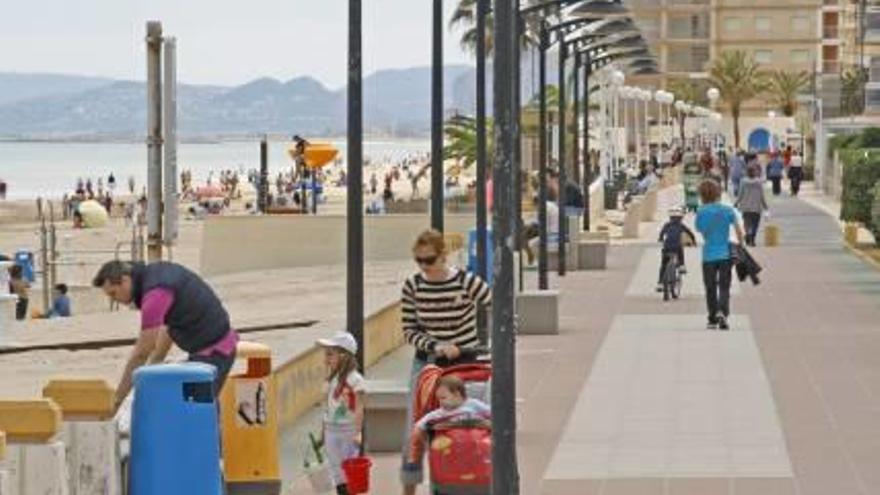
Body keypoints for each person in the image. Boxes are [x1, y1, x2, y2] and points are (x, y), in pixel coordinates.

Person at [400, 229, 491, 495]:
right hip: (428, 363)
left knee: (467, 424)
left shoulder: (466, 282)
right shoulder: (413, 286)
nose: (424, 267)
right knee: (415, 428)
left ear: (443, 256)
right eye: (419, 261)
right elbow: (409, 330)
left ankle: (467, 481)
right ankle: (410, 489)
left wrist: (505, 338)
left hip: (465, 363)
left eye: (429, 260)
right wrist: (437, 346)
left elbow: (498, 304)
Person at [91, 260, 239, 409]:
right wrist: (155, 364)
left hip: (215, 351)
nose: (114, 300)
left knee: (197, 409)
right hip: (211, 346)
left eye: (113, 293)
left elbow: (142, 352)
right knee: (190, 404)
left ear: (125, 280)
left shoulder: (155, 294)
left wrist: (118, 399)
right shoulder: (155, 275)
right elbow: (168, 326)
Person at [317, 331, 365, 495]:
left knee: (348, 469)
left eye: (330, 354)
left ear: (344, 356)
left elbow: (359, 406)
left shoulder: (355, 379)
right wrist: (322, 433)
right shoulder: (331, 379)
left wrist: (358, 432)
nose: (326, 359)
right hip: (331, 429)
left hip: (347, 430)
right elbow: (327, 408)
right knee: (336, 471)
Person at [406, 375, 490, 464]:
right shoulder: (440, 413)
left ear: (457, 395)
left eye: (443, 398)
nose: (440, 402)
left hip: (475, 444)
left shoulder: (473, 404)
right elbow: (419, 425)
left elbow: (491, 413)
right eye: (438, 399)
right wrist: (416, 450)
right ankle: (415, 457)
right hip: (450, 447)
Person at [695, 180, 745, 330]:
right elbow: (738, 230)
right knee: (724, 286)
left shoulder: (701, 211)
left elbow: (700, 230)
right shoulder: (728, 210)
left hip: (708, 256)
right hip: (725, 255)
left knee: (710, 287)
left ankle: (712, 318)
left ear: (702, 195)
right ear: (718, 193)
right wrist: (741, 245)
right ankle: (723, 312)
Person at [656, 208, 697, 292]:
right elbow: (690, 233)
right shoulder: (681, 225)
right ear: (681, 218)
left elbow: (662, 233)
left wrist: (660, 239)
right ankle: (682, 265)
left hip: (667, 247)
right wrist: (694, 241)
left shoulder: (667, 225)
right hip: (677, 247)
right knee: (680, 250)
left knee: (663, 265)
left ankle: (660, 283)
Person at [735, 165, 768, 247]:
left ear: (747, 173)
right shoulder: (758, 182)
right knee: (755, 224)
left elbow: (740, 194)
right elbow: (762, 195)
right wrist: (765, 206)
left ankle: (747, 235)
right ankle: (752, 239)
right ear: (754, 172)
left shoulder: (743, 181)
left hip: (745, 206)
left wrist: (736, 203)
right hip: (756, 207)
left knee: (746, 223)